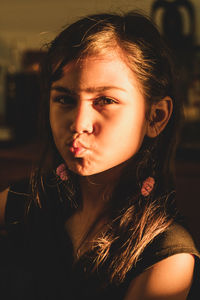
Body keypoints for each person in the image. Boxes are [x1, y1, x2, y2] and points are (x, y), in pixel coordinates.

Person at [0, 11, 199, 300]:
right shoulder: (30, 200)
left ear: (156, 117)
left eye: (106, 101)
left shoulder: (165, 256)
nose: (79, 123)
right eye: (65, 99)